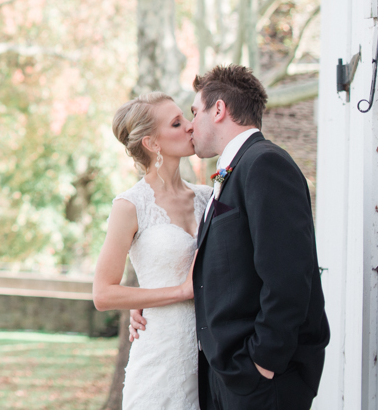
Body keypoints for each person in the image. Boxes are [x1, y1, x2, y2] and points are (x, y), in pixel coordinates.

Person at [130, 65, 330, 410]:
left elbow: (288, 278)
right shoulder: (233, 173)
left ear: (219, 110)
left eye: (195, 112)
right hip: (226, 376)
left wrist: (262, 363)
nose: (191, 125)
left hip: (261, 380)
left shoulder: (266, 164)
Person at [98, 91, 212, 409]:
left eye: (186, 118)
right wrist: (177, 292)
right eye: (177, 123)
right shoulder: (130, 205)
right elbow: (103, 294)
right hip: (159, 359)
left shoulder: (208, 197)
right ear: (152, 143)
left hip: (210, 363)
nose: (190, 126)